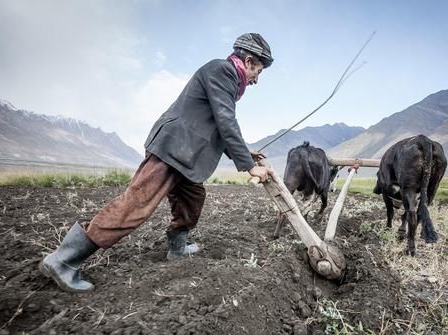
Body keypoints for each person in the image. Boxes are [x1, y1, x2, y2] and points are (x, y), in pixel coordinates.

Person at [39, 33, 274, 293]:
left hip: (186, 154)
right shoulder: (223, 70)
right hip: (173, 149)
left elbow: (219, 128)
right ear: (249, 60)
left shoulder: (227, 79)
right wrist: (249, 166)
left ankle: (177, 247)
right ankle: (63, 260)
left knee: (192, 198)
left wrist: (245, 156)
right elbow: (226, 121)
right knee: (136, 204)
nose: (256, 80)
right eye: (258, 72)